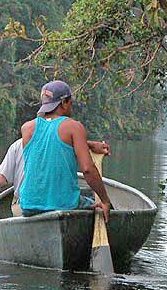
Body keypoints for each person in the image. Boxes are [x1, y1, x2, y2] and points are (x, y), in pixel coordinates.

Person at [18, 80, 112, 222]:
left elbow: (51, 144)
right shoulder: (74, 127)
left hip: (29, 205)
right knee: (101, 204)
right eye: (70, 102)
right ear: (64, 103)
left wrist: (89, 145)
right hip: (64, 204)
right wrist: (105, 201)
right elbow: (87, 169)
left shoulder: (27, 128)